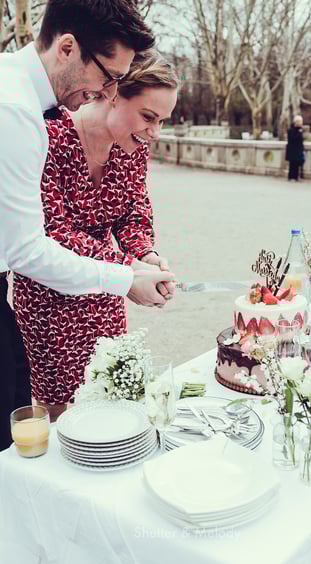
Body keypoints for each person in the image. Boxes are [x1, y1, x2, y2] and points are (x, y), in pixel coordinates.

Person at [0, 0, 175, 450]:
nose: (154, 132)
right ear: (68, 48)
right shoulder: (36, 124)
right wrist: (127, 273)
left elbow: (135, 211)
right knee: (59, 428)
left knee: (112, 411)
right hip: (53, 299)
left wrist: (146, 256)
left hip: (108, 292)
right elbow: (42, 239)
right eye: (108, 76)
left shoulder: (133, 148)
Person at [286, 115, 305, 181]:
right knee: (292, 164)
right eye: (300, 122)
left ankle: (296, 176)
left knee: (297, 164)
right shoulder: (291, 130)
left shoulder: (300, 130)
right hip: (293, 150)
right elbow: (293, 139)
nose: (301, 123)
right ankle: (291, 177)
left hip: (298, 150)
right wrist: (299, 133)